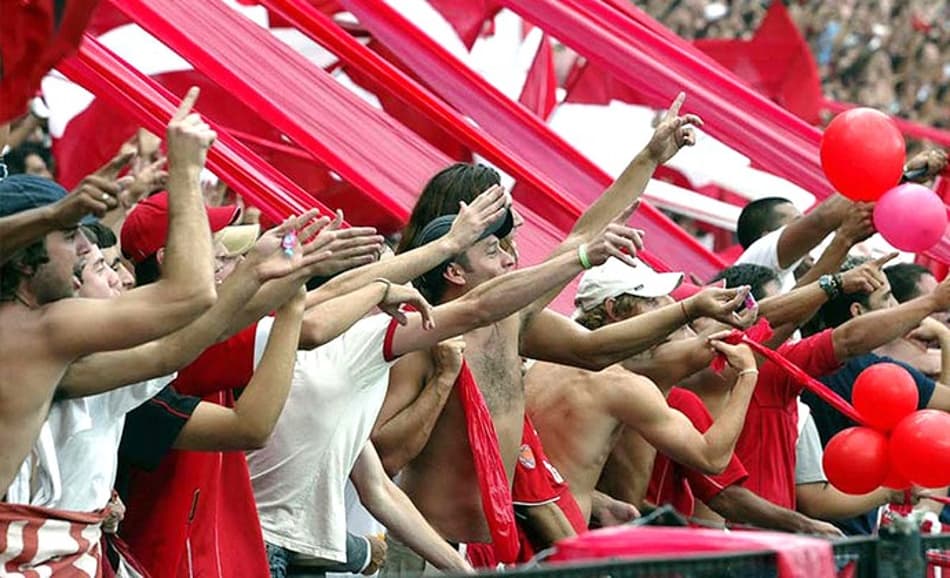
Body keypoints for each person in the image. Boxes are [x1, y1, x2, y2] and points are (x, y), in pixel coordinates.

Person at [372, 95, 770, 571]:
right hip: (424, 552)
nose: (514, 251)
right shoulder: (420, 332)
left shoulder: (510, 318)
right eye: (499, 238)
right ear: (455, 259)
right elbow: (383, 456)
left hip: (487, 555)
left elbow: (591, 335)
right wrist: (442, 381)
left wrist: (650, 159)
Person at [0, 88, 216, 501]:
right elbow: (190, 295)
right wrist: (187, 171)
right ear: (25, 263)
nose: (85, 248)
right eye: (69, 235)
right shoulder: (42, 329)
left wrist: (51, 218)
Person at [800, 258, 950, 534]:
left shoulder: (803, 358)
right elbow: (943, 415)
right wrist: (945, 337)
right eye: (887, 298)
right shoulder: (883, 372)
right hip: (835, 536)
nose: (896, 307)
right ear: (858, 311)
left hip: (821, 534)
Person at [733, 192, 869, 292]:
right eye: (798, 222)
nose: (804, 228)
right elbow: (822, 219)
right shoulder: (758, 258)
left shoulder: (787, 281)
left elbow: (803, 301)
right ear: (768, 238)